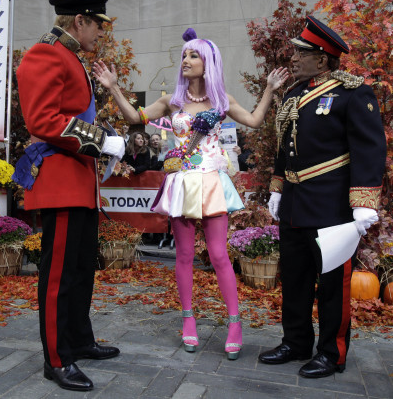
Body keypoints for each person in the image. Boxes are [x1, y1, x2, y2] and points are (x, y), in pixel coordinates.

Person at [93, 27, 289, 360]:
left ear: (208, 61)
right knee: (183, 256)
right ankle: (188, 321)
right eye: (184, 55)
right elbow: (135, 117)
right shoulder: (173, 101)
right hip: (182, 184)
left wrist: (270, 89)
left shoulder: (222, 101)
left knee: (218, 255)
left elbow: (255, 120)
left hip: (212, 183)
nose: (186, 60)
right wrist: (113, 89)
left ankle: (235, 323)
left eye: (193, 55)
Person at [258, 16, 386, 378]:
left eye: (301, 53)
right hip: (297, 204)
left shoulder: (353, 92)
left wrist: (364, 201)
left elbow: (370, 149)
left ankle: (332, 353)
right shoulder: (294, 94)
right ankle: (295, 342)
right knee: (295, 278)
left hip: (333, 207)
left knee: (333, 285)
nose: (293, 59)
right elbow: (286, 147)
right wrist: (278, 187)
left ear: (324, 58)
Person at [13, 0, 125, 392]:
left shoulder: (71, 56)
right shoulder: (45, 54)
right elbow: (43, 119)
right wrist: (100, 140)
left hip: (80, 181)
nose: (101, 32)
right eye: (98, 24)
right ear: (79, 20)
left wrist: (106, 140)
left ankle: (78, 340)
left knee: (80, 270)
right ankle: (56, 359)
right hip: (61, 182)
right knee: (58, 276)